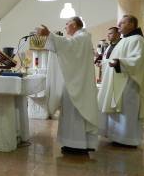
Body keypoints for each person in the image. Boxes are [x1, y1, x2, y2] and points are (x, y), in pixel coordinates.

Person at [37, 17, 100, 154]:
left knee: (75, 112)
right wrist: (51, 38)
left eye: (68, 23)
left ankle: (77, 144)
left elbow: (67, 46)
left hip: (78, 84)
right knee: (70, 112)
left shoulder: (82, 37)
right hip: (74, 81)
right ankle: (73, 143)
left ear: (75, 25)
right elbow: (65, 47)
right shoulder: (81, 37)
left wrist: (50, 35)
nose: (65, 26)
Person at [98, 15, 144, 147]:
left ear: (132, 24)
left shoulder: (138, 40)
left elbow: (137, 61)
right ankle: (117, 137)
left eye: (122, 23)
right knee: (118, 111)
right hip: (118, 82)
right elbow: (114, 59)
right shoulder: (124, 40)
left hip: (129, 84)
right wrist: (107, 62)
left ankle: (128, 140)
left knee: (127, 111)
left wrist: (120, 63)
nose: (119, 25)